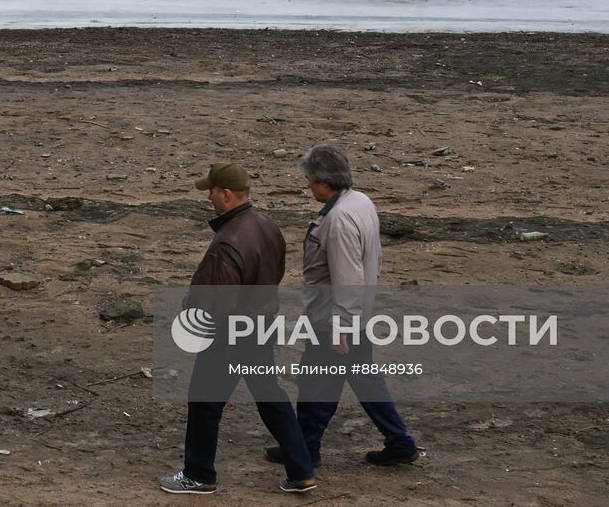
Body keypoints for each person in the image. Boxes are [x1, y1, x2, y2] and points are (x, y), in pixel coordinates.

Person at [159, 162, 319, 495]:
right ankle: (301, 470)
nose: (210, 198)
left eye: (213, 192)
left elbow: (216, 304)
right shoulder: (267, 225)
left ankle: (199, 474)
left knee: (204, 404)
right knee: (270, 396)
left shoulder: (226, 243)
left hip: (228, 336)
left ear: (227, 195)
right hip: (261, 326)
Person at [266, 143, 422, 470]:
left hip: (334, 320)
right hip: (354, 315)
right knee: (363, 380)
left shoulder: (337, 220)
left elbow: (347, 278)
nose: (307, 185)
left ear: (324, 180)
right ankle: (400, 442)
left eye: (309, 179)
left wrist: (340, 326)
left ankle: (306, 448)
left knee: (316, 382)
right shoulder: (360, 201)